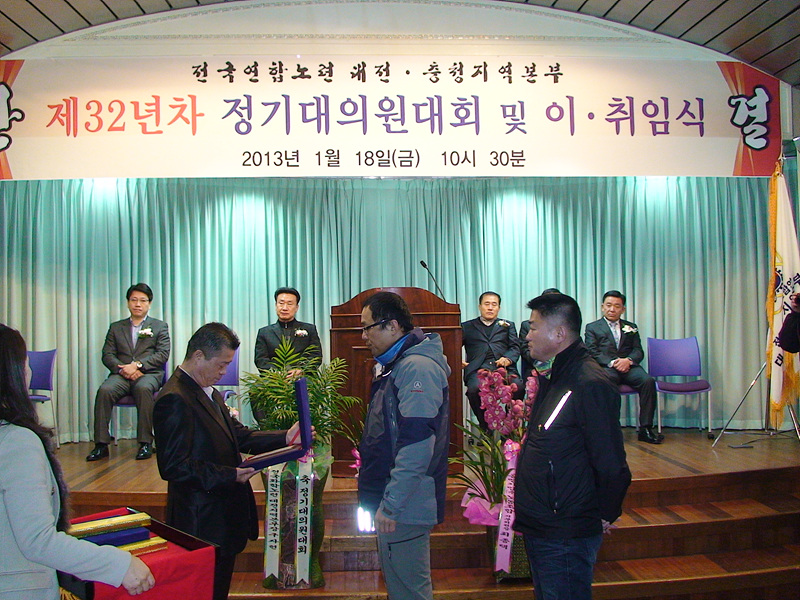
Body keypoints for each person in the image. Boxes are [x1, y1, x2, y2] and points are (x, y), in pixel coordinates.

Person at [0, 324, 155, 599]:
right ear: (11, 373)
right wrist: (119, 565)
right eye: (25, 362)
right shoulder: (16, 441)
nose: (30, 369)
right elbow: (37, 540)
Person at [153, 322, 306, 600]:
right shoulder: (174, 398)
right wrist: (229, 475)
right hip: (200, 522)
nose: (224, 372)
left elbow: (239, 435)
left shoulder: (207, 391)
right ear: (198, 356)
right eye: (222, 364)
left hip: (220, 517)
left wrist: (285, 436)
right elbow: (174, 466)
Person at [515, 293, 631, 600]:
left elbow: (611, 462)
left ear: (558, 333)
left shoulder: (589, 382)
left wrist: (605, 512)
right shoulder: (554, 374)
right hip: (544, 522)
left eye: (533, 327)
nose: (528, 336)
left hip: (565, 528)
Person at [357, 292, 450, 600]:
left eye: (368, 327)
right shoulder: (398, 365)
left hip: (406, 503)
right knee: (401, 588)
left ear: (392, 326)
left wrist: (392, 503)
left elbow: (417, 444)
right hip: (397, 498)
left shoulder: (416, 368)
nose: (364, 336)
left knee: (410, 591)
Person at [87, 283, 171, 461]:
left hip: (148, 374)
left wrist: (138, 365)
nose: (138, 304)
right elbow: (107, 354)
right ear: (127, 302)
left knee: (143, 388)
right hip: (121, 374)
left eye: (143, 300)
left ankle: (145, 443)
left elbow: (163, 354)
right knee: (105, 391)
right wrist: (124, 369)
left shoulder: (159, 326)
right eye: (134, 300)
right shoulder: (116, 327)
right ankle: (101, 444)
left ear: (149, 304)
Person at [584, 290, 663, 444]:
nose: (612, 309)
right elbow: (592, 351)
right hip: (607, 368)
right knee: (605, 382)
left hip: (629, 368)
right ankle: (610, 428)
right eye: (608, 305)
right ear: (602, 307)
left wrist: (628, 360)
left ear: (623, 309)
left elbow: (638, 350)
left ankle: (645, 428)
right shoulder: (592, 327)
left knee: (648, 381)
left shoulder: (631, 327)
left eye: (616, 306)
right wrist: (614, 362)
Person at [461, 291, 523, 429]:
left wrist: (508, 358)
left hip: (503, 369)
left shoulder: (508, 325)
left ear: (499, 308)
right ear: (480, 306)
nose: (490, 308)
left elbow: (515, 347)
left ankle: (509, 426)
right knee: (473, 390)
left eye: (494, 304)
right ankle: (485, 427)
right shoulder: (466, 326)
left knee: (518, 386)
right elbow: (454, 346)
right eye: (487, 304)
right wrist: (456, 359)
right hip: (478, 370)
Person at [254, 287, 322, 373]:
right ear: (276, 305)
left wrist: (301, 370)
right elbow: (261, 360)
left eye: (290, 304)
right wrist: (278, 374)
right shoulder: (264, 332)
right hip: (273, 378)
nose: (284, 308)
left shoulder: (310, 329)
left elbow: (316, 356)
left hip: (303, 376)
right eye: (281, 303)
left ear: (296, 308)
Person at [519, 288, 561, 381]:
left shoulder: (566, 326)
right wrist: (543, 363)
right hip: (535, 367)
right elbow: (525, 350)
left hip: (562, 367)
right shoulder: (527, 325)